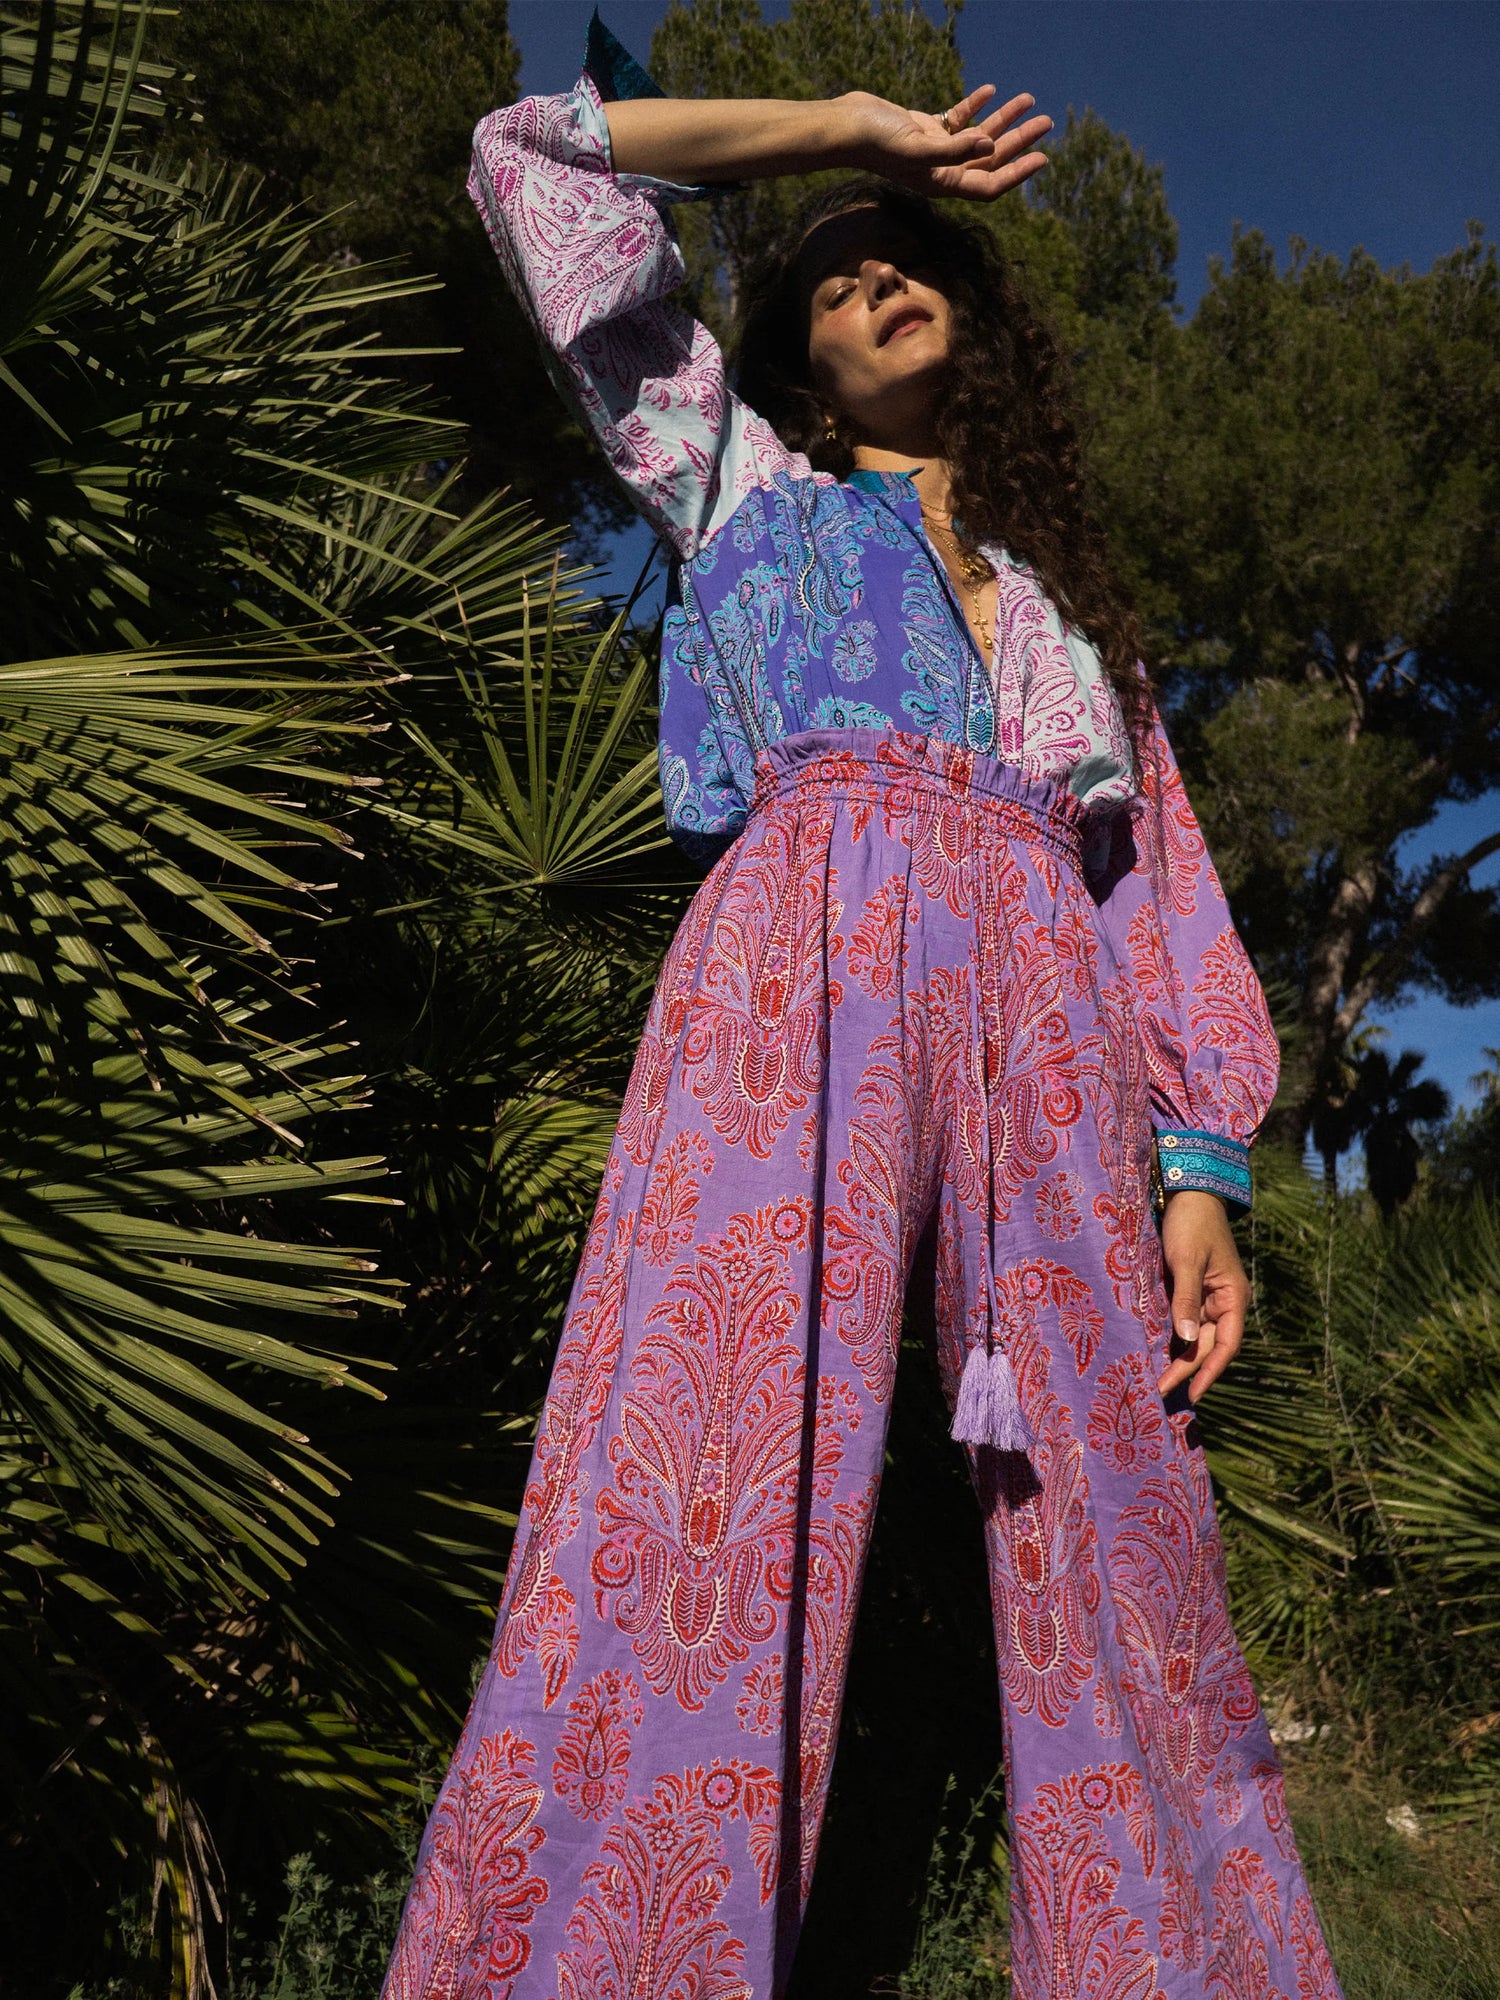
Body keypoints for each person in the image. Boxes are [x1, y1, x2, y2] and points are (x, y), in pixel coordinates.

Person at [382, 16, 1343, 2000]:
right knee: (702, 1456)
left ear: (973, 319)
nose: (878, 278)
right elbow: (527, 163)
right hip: (794, 966)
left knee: (1119, 1505)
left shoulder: (1071, 613)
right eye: (831, 282)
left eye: (903, 259)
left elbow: (1154, 891)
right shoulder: (733, 484)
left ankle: (1186, 1962)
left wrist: (1200, 1174)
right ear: (798, 367)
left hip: (1050, 1012)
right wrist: (841, 133)